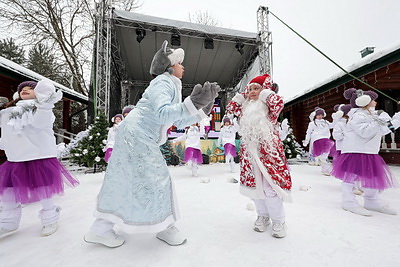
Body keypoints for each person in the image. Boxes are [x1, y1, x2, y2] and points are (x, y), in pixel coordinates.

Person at [84, 40, 220, 248]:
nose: (183, 66)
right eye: (180, 62)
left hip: (135, 135)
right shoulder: (162, 83)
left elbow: (175, 120)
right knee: (158, 179)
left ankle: (100, 229)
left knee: (126, 180)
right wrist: (192, 104)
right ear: (169, 66)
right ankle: (165, 227)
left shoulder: (171, 85)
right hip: (137, 136)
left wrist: (202, 109)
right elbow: (162, 113)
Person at [0, 80, 79, 237]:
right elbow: (7, 134)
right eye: (22, 89)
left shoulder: (41, 109)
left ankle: (50, 218)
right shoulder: (8, 112)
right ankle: (8, 222)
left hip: (38, 157)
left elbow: (40, 123)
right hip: (15, 158)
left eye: (31, 88)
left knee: (43, 190)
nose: (25, 90)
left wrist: (45, 104)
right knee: (8, 192)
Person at [226, 74, 292, 238]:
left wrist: (264, 92)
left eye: (256, 88)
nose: (252, 92)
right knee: (255, 188)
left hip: (269, 154)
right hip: (250, 155)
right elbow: (231, 107)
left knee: (271, 188)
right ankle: (263, 216)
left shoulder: (269, 109)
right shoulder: (245, 108)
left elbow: (278, 102)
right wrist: (245, 94)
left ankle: (278, 220)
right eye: (250, 89)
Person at [332, 88, 400, 216]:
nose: (375, 103)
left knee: (371, 177)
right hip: (355, 151)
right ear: (365, 102)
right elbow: (365, 132)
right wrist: (378, 121)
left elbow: (383, 130)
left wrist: (397, 119)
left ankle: (371, 201)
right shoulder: (357, 115)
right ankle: (348, 202)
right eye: (373, 100)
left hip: (370, 151)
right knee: (350, 178)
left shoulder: (371, 115)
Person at [302, 107, 334, 175]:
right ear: (315, 115)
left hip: (326, 140)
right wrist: (306, 141)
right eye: (318, 115)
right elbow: (309, 132)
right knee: (322, 155)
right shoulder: (312, 123)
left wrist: (337, 119)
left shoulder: (326, 122)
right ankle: (325, 168)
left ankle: (325, 169)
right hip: (317, 140)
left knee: (324, 155)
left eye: (321, 115)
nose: (320, 116)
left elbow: (332, 125)